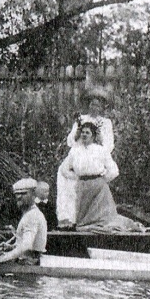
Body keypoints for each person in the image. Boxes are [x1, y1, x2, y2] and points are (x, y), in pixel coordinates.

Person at [57, 122, 141, 232]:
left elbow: (114, 170)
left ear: (93, 135)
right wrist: (77, 178)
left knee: (104, 218)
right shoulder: (75, 151)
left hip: (99, 187)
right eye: (82, 132)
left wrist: (101, 181)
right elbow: (64, 169)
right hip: (82, 186)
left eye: (87, 133)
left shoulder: (100, 150)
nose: (84, 135)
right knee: (84, 218)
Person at [56, 86, 116, 229]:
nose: (94, 107)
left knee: (95, 174)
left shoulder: (106, 122)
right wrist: (78, 133)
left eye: (97, 105)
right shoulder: (81, 119)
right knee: (63, 173)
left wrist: (98, 145)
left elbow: (109, 144)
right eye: (91, 104)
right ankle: (67, 217)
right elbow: (71, 141)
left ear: (102, 107)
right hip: (78, 152)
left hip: (96, 153)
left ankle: (88, 216)